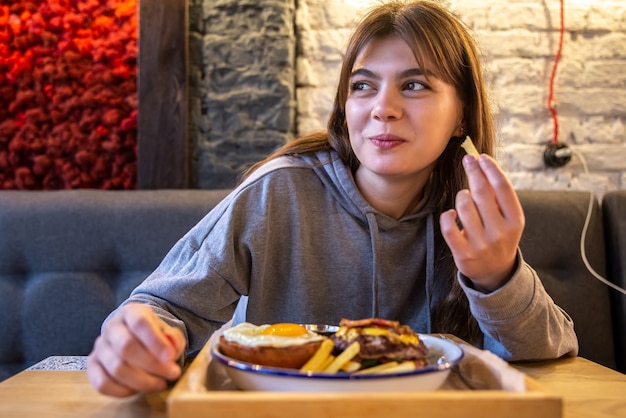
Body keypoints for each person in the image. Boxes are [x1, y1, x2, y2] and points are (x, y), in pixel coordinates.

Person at [87, 0, 578, 397]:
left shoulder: (473, 212)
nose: (382, 109)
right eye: (363, 86)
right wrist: (138, 336)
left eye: (414, 85)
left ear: (463, 116)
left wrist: (497, 276)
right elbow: (165, 308)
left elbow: (549, 350)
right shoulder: (278, 191)